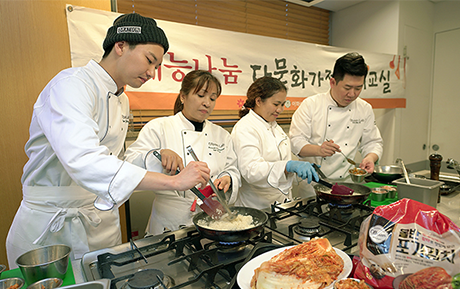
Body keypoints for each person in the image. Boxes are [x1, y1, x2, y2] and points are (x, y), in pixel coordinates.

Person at [6, 13, 210, 268]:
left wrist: (158, 161)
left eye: (157, 66)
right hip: (51, 227)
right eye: (150, 60)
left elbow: (115, 160)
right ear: (121, 46)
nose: (152, 73)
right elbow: (85, 160)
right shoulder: (71, 85)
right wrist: (174, 182)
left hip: (99, 221)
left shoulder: (121, 99)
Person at [125, 70, 241, 235]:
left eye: (212, 98)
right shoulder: (160, 127)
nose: (207, 103)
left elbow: (232, 168)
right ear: (183, 96)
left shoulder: (222, 134)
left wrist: (228, 178)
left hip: (211, 219)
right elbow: (129, 164)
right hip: (169, 221)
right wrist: (158, 154)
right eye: (201, 95)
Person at [289, 52, 383, 184]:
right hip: (314, 181)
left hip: (348, 181)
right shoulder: (311, 105)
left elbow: (373, 142)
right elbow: (295, 142)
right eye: (347, 87)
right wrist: (319, 150)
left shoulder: (364, 108)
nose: (352, 94)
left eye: (358, 88)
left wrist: (370, 158)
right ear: (332, 82)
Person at [231, 76, 318, 209]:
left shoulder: (275, 127)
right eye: (276, 104)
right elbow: (251, 171)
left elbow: (281, 163)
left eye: (283, 104)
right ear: (259, 101)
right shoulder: (245, 128)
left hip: (281, 202)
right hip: (257, 206)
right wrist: (287, 166)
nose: (280, 109)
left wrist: (297, 171)